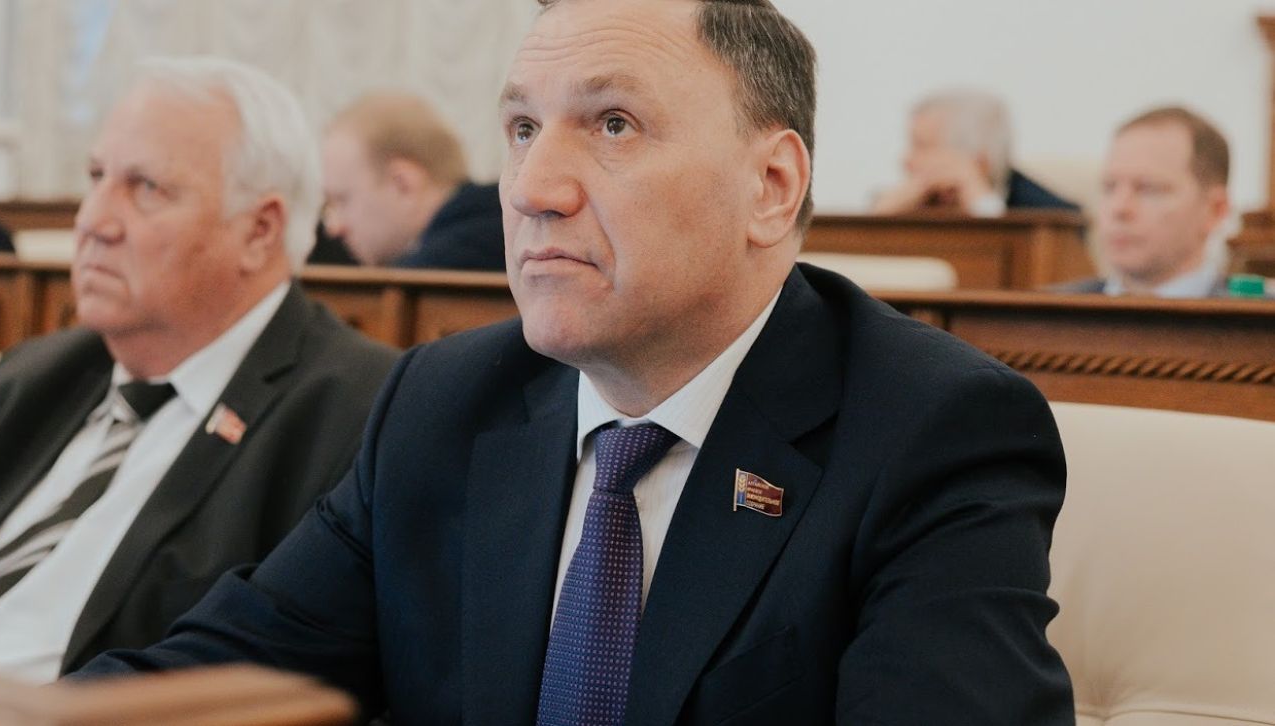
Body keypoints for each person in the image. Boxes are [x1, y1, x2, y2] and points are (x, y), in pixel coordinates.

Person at [77, 2, 1073, 723]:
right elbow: (221, 675)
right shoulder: (443, 401)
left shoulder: (934, 431)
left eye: (612, 125)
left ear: (771, 185)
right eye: (521, 129)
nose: (531, 189)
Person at [0, 57, 398, 681]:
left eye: (146, 188)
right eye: (96, 176)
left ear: (259, 231)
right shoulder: (38, 373)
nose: (93, 220)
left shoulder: (355, 414)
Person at [1059, 106, 1231, 297]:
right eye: (1109, 187)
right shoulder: (1049, 309)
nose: (1119, 208)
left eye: (1148, 188)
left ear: (1215, 210)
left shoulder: (1251, 312)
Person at [320, 92, 504, 270]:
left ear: (403, 184)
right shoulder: (494, 229)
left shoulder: (429, 275)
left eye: (342, 200)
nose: (334, 227)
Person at [872, 88, 1079, 216]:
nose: (905, 160)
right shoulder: (904, 201)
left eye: (922, 146)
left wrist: (979, 201)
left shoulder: (1052, 216)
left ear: (979, 162)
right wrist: (882, 214)